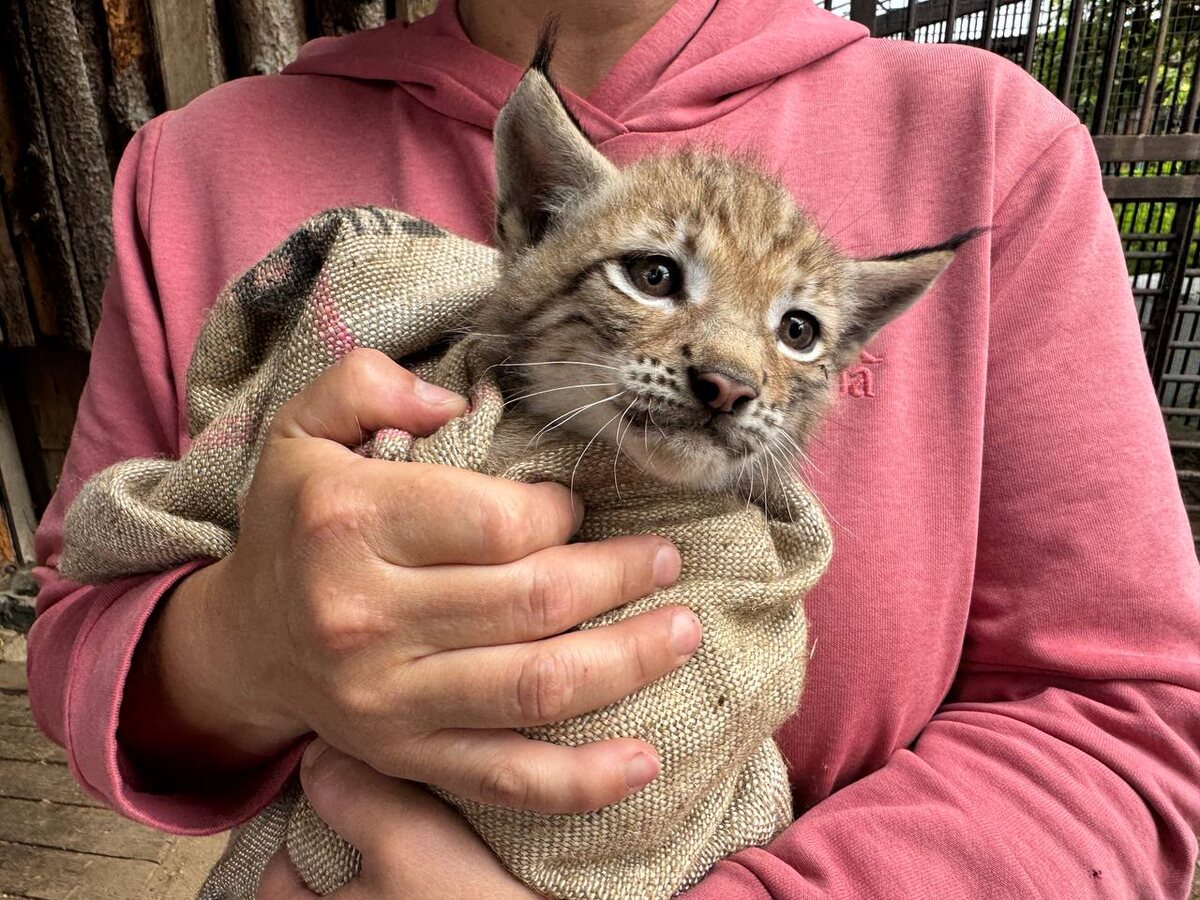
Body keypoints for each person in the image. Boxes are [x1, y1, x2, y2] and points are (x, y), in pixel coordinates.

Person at [29, 0, 1200, 897]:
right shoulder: (194, 167)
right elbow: (78, 620)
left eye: (797, 332)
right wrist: (248, 639)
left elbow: (1126, 724)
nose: (725, 373)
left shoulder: (988, 146)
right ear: (537, 215)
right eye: (654, 277)